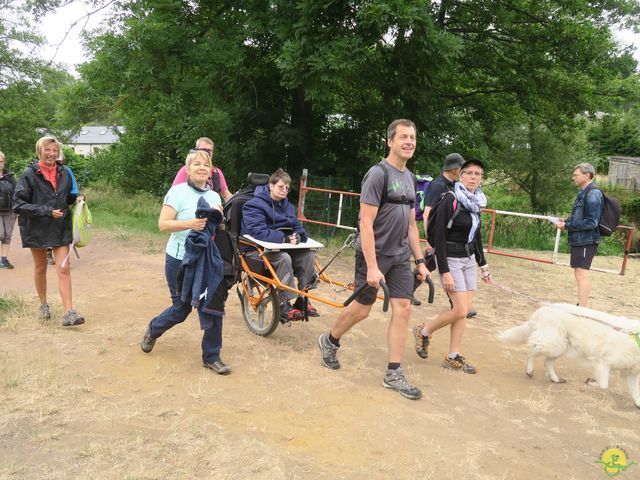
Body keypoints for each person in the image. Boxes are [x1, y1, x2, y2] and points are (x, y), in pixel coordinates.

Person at [317, 119, 429, 400]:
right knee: (362, 310)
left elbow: (412, 226)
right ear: (389, 141)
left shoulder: (410, 177)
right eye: (403, 136)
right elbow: (365, 223)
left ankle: (393, 372)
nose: (409, 142)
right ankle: (329, 341)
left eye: (412, 137)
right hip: (374, 255)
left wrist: (420, 260)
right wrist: (373, 267)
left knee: (403, 308)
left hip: (400, 255)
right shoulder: (377, 174)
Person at [141, 149, 233, 375]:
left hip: (206, 260)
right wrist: (191, 224)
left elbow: (216, 229)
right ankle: (154, 329)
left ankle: (212, 356)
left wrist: (219, 219)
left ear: (211, 171)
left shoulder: (213, 197)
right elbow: (163, 225)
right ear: (188, 170)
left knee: (213, 305)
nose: (202, 168)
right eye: (196, 164)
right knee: (181, 309)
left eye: (206, 165)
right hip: (179, 259)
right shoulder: (177, 193)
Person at [412, 159, 490, 374]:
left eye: (478, 174)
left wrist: (483, 265)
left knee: (461, 313)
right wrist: (444, 271)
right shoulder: (451, 199)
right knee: (460, 309)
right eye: (469, 173)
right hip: (452, 260)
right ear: (460, 175)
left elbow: (477, 235)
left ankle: (453, 356)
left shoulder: (476, 203)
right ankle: (424, 331)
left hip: (468, 260)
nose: (473, 177)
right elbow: (438, 236)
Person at [12, 136, 84, 325]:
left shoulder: (64, 172)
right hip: (36, 227)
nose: (52, 154)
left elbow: (66, 197)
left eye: (55, 150)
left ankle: (69, 312)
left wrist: (76, 198)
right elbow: (18, 205)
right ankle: (44, 304)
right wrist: (46, 211)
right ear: (39, 151)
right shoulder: (29, 174)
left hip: (60, 226)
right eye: (48, 150)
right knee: (40, 267)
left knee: (64, 268)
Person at [241, 168, 319, 322]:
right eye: (281, 187)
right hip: (257, 249)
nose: (284, 190)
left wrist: (299, 236)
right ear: (271, 185)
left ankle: (303, 298)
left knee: (308, 256)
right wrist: (284, 239)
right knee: (284, 258)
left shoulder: (286, 205)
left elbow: (296, 225)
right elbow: (257, 231)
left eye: (287, 188)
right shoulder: (253, 205)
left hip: (282, 246)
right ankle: (284, 304)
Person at [556, 163, 603, 307]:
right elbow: (581, 217)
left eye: (576, 175)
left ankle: (582, 308)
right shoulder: (583, 192)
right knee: (578, 272)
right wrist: (567, 221)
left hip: (586, 241)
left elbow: (591, 222)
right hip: (580, 240)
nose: (573, 178)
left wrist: (568, 226)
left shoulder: (593, 193)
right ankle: (581, 306)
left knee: (581, 273)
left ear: (587, 175)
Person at [172, 137, 232, 202]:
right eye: (203, 149)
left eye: (209, 150)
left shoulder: (216, 172)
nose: (206, 152)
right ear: (196, 150)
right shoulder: (187, 169)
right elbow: (174, 194)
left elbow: (226, 195)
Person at [0, 151, 17, 269]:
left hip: (10, 210)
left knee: (7, 235)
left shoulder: (10, 177)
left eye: (0, 161)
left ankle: (4, 260)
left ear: (4, 162)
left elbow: (17, 192)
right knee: (0, 233)